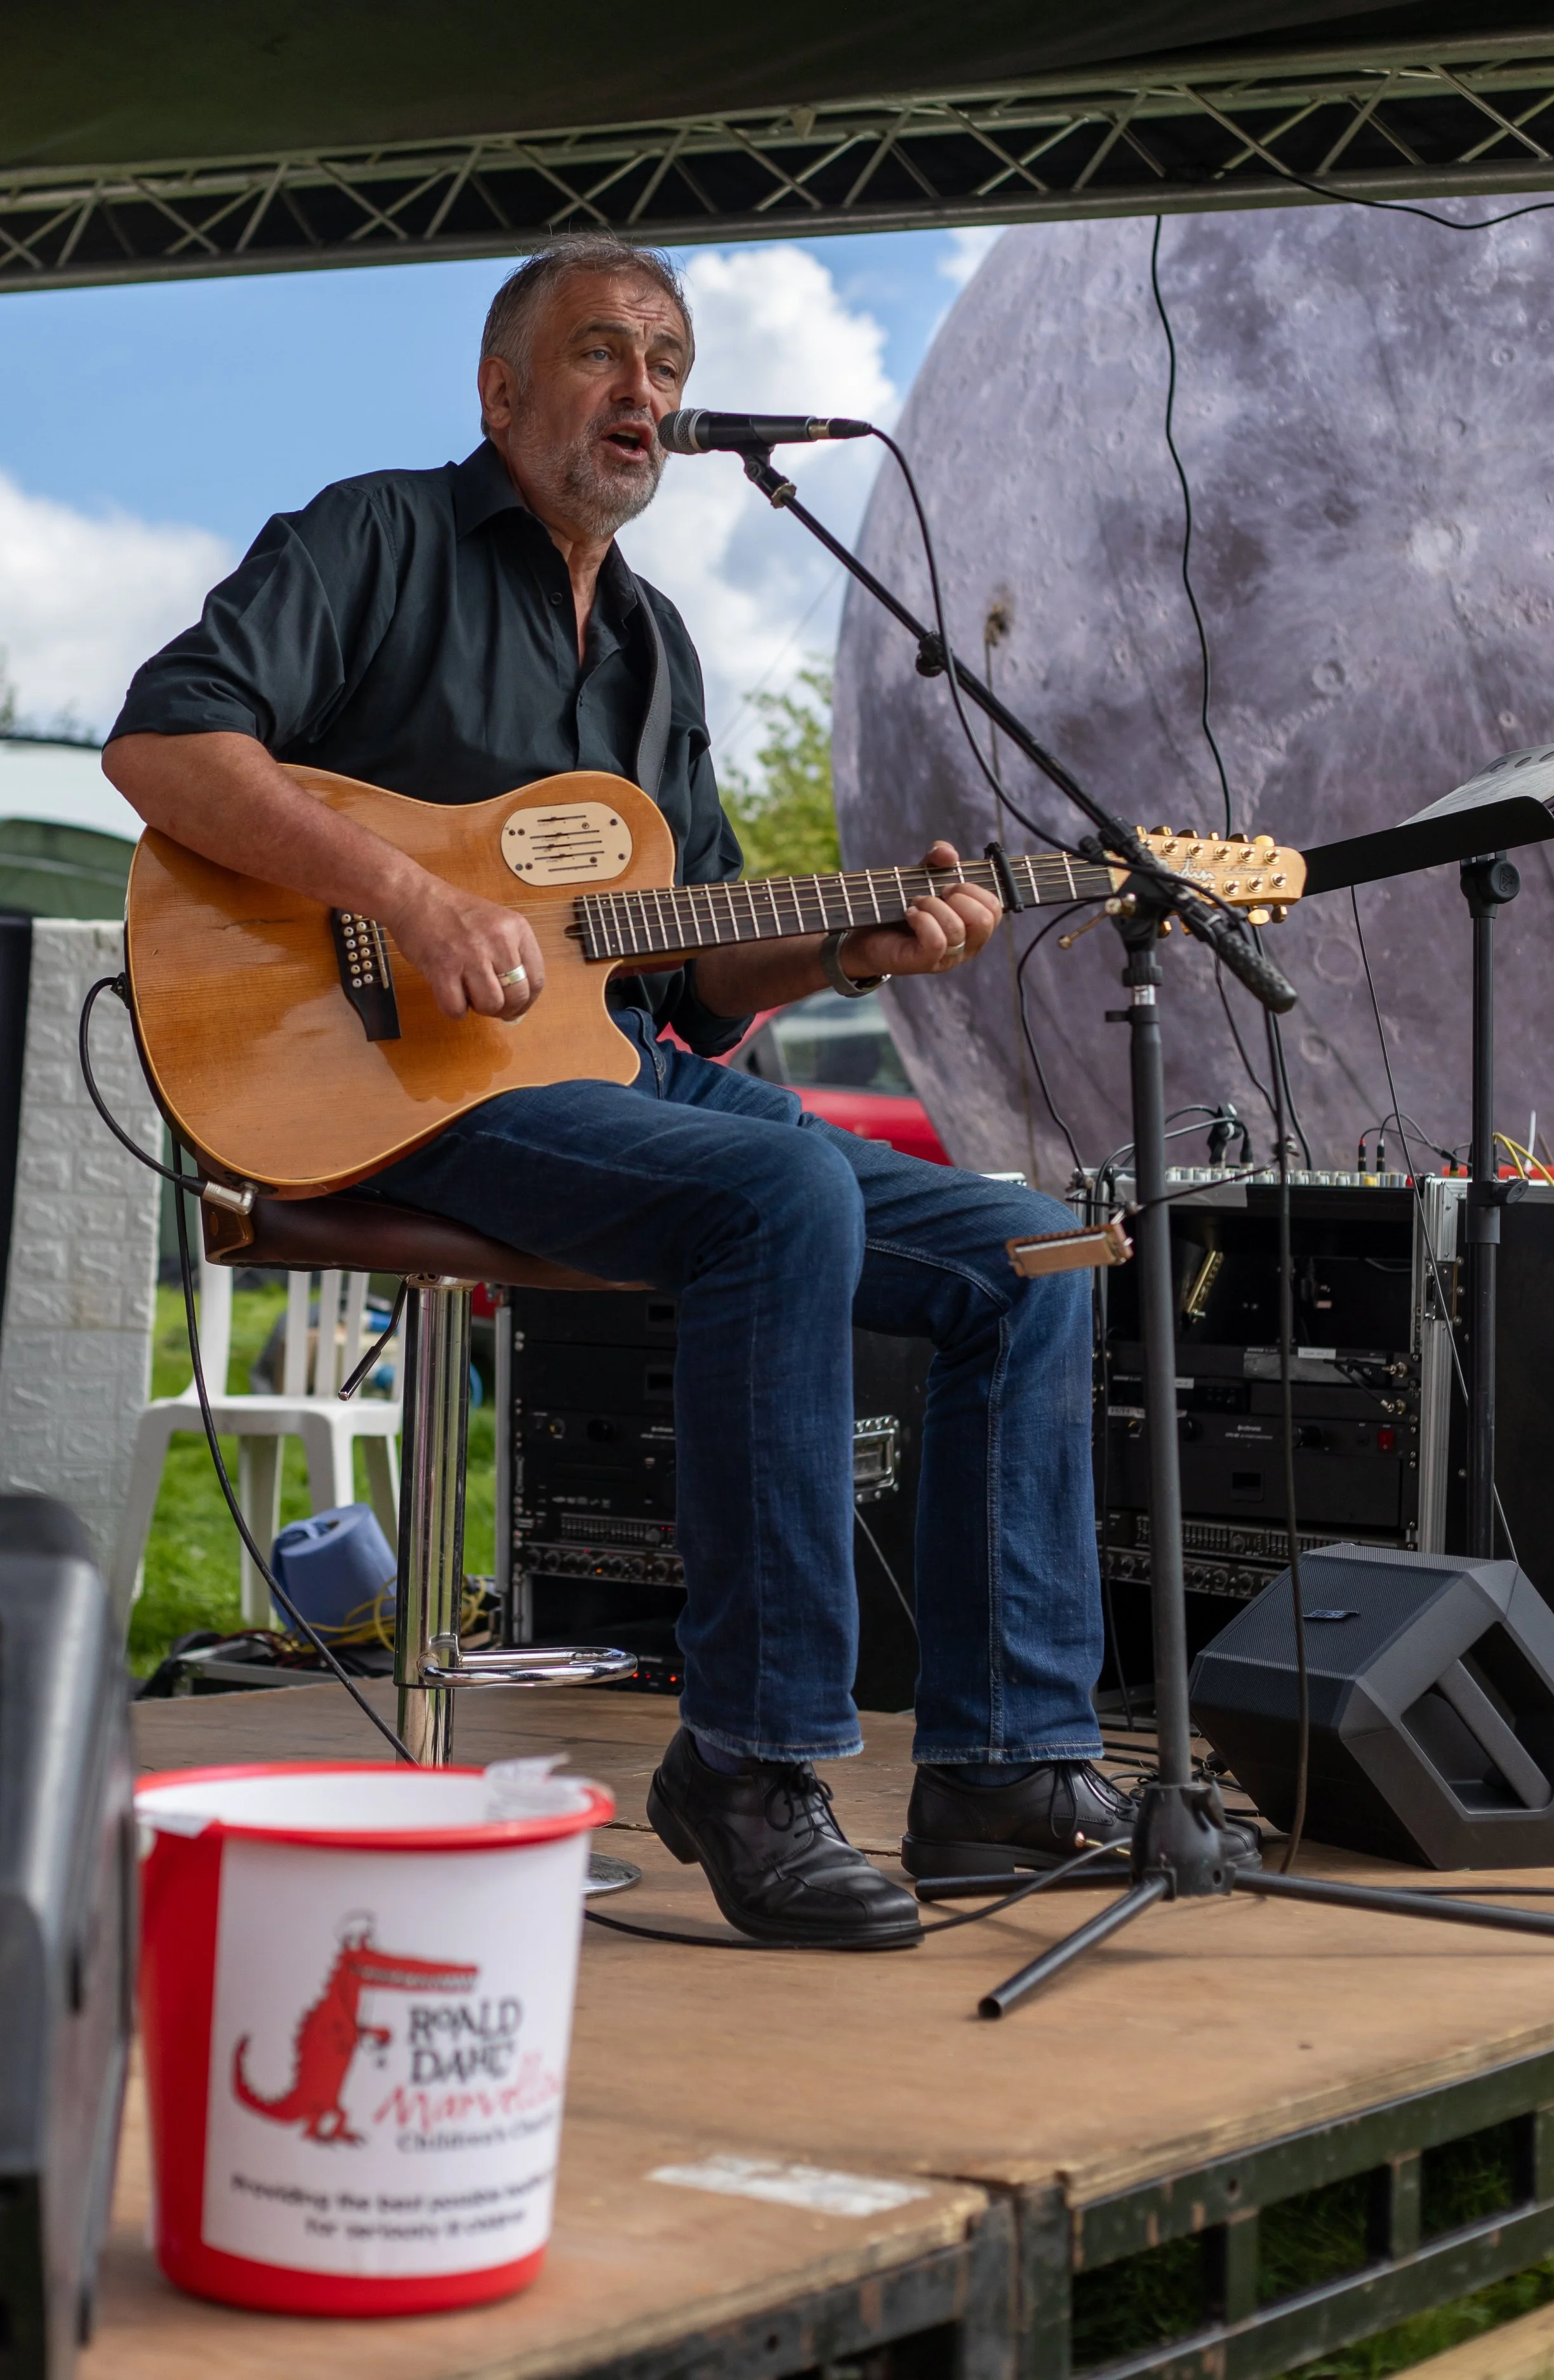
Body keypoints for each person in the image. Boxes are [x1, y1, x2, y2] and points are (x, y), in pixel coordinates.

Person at [104, 234, 1134, 1952]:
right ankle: (750, 1757)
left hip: (606, 1072)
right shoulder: (375, 538)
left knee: (1025, 1247)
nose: (644, 390)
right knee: (782, 1193)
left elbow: (692, 977)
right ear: (501, 391)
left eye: (665, 358)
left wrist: (853, 952)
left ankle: (999, 1768)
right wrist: (406, 895)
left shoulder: (652, 648)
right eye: (602, 352)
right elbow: (164, 742)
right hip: (389, 1085)